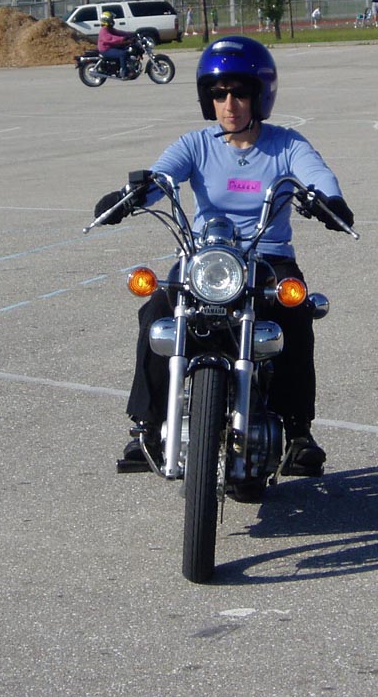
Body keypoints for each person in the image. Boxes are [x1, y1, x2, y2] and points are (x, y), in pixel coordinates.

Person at [93, 36, 353, 477]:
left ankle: (298, 431)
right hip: (207, 258)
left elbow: (316, 175)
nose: (229, 104)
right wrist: (129, 197)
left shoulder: (287, 145)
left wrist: (329, 201)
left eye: (240, 92)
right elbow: (161, 177)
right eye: (218, 94)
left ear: (260, 95)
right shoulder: (196, 144)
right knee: (156, 310)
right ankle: (147, 427)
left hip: (267, 258)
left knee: (294, 311)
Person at [97, 11, 135, 78]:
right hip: (106, 49)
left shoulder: (109, 29)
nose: (113, 20)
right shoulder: (104, 30)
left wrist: (131, 34)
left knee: (126, 48)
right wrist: (123, 39)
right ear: (107, 20)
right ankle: (124, 72)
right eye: (111, 19)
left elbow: (119, 32)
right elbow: (110, 38)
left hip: (111, 47)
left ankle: (128, 66)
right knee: (122, 54)